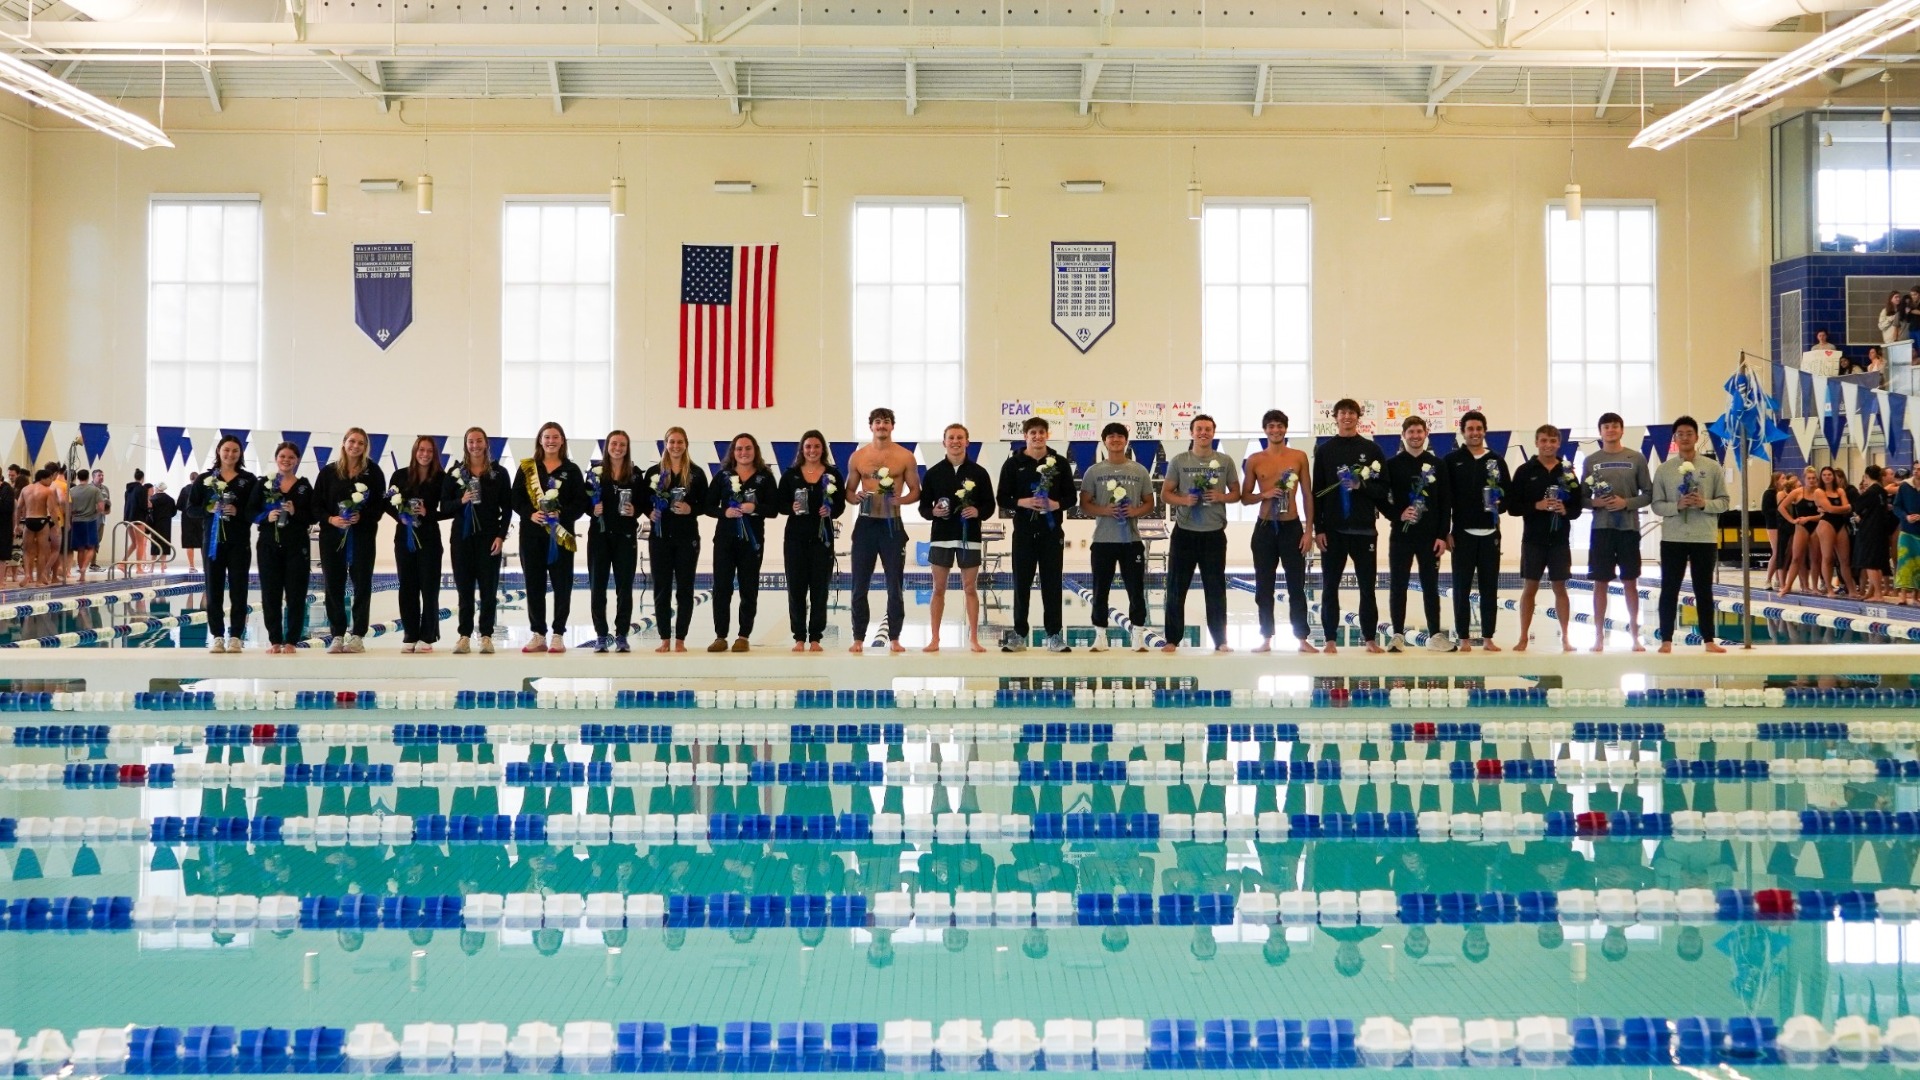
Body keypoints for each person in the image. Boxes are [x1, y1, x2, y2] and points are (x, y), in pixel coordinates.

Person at [1313, 399, 1389, 654]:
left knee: (1368, 588)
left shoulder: (1372, 449)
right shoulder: (1324, 450)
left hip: (1364, 530)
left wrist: (1361, 486)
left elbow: (1383, 489)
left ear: (1359, 417)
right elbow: (1317, 492)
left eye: (1351, 413)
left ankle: (1370, 638)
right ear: (1334, 417)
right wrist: (1318, 529)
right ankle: (1330, 639)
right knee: (1329, 587)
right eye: (1342, 413)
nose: (1347, 417)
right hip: (1333, 531)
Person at [1650, 415, 1729, 654]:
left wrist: (1704, 503)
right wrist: (1677, 506)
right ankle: (1665, 639)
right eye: (1680, 434)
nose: (1684, 438)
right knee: (1669, 588)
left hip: (1703, 538)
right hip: (1673, 537)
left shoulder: (1712, 467)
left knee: (1703, 589)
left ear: (1696, 437)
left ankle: (1708, 639)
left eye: (1689, 433)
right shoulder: (1664, 470)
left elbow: (1724, 502)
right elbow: (1656, 505)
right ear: (1674, 439)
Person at [1161, 414, 1240, 653]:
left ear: (1213, 433)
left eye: (1207, 429)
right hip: (1184, 533)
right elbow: (1165, 494)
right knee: (1176, 587)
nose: (1203, 433)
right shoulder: (1179, 460)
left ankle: (1220, 640)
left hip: (1214, 534)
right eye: (1199, 429)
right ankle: (1172, 639)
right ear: (1192, 432)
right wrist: (1184, 499)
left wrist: (1221, 496)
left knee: (1215, 588)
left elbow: (1236, 493)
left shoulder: (1225, 461)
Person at [996, 416, 1075, 653]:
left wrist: (1054, 504)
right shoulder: (1013, 464)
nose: (1037, 436)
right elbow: (1002, 498)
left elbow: (1071, 497)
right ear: (1025, 436)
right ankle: (1019, 634)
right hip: (1023, 534)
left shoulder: (1059, 463)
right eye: (1033, 433)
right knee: (1021, 585)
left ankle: (1054, 635)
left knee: (1052, 585)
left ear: (1047, 435)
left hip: (1051, 533)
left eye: (1042, 432)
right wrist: (1024, 502)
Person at [846, 407, 921, 653]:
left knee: (894, 585)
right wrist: (855, 498)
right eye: (877, 422)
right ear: (871, 426)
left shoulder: (905, 456)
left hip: (892, 524)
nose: (881, 426)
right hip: (866, 524)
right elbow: (849, 491)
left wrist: (902, 500)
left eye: (886, 422)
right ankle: (858, 637)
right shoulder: (858, 457)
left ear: (892, 426)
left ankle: (895, 637)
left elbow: (915, 490)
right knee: (859, 585)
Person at [511, 421, 589, 653]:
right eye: (547, 437)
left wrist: (561, 514)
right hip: (532, 536)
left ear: (562, 440)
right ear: (540, 440)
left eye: (555, 437)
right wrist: (529, 514)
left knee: (562, 585)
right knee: (534, 585)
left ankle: (558, 633)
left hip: (561, 537)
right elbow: (515, 499)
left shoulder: (572, 470)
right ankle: (538, 633)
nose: (551, 441)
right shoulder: (527, 467)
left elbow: (581, 503)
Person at [1242, 410, 1314, 654]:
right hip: (1264, 528)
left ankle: (1302, 638)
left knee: (1296, 586)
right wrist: (1265, 494)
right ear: (1265, 430)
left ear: (1285, 429)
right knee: (1264, 587)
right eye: (1271, 426)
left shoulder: (1299, 457)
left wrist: (1308, 531)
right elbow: (1245, 497)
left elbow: (1306, 494)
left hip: (1292, 527)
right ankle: (1265, 638)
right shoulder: (1254, 460)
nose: (1275, 430)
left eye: (1280, 426)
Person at [1581, 411, 1654, 652]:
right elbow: (1580, 498)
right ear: (1600, 432)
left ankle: (1635, 635)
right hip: (1601, 528)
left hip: (1628, 528)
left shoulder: (1637, 458)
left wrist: (1627, 503)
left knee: (1630, 582)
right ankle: (1599, 636)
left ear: (1622, 430)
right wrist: (1596, 503)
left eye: (1615, 426)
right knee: (1600, 583)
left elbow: (1649, 494)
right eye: (1606, 427)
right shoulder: (1591, 460)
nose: (1610, 430)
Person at [921, 423, 996, 653]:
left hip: (969, 536)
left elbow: (990, 505)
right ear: (944, 442)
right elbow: (924, 508)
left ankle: (973, 638)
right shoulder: (933, 473)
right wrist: (933, 512)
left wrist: (978, 512)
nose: (955, 441)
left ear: (967, 442)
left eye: (960, 437)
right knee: (938, 588)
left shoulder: (979, 473)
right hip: (942, 536)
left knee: (970, 588)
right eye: (951, 437)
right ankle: (935, 638)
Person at [1507, 425, 1583, 653]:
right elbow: (1512, 507)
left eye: (1552, 440)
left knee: (1561, 588)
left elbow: (1577, 508)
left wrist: (1564, 510)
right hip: (1533, 539)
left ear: (1559, 443)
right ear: (1536, 443)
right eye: (1544, 440)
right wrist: (1536, 506)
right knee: (1530, 587)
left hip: (1559, 539)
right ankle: (1523, 637)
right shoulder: (1524, 470)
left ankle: (1566, 637)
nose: (1548, 445)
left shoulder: (1567, 472)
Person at [1081, 422, 1154, 653]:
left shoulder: (1140, 470)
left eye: (1120, 436)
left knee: (1136, 589)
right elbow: (1084, 504)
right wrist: (1106, 511)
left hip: (1131, 541)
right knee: (1100, 590)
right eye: (1111, 436)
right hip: (1103, 541)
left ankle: (1138, 635)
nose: (1115, 440)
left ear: (1126, 440)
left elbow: (1150, 503)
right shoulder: (1093, 471)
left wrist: (1134, 511)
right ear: (1104, 441)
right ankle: (1100, 636)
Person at [1442, 410, 1511, 652]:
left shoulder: (1496, 460)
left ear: (1484, 431)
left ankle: (1488, 637)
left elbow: (1508, 497)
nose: (1474, 433)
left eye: (1479, 429)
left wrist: (1499, 504)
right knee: (1461, 587)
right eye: (1470, 429)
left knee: (1489, 587)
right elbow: (1443, 500)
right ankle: (1463, 638)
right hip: (1461, 534)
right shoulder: (1451, 461)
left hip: (1490, 533)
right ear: (1463, 432)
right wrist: (1445, 531)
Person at [706, 433, 779, 653]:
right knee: (721, 588)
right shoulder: (723, 476)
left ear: (755, 450)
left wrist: (754, 508)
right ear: (733, 452)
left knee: (749, 588)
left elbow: (774, 510)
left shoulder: (765, 477)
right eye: (739, 449)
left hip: (752, 542)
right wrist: (724, 512)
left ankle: (743, 635)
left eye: (748, 448)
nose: (743, 452)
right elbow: (707, 506)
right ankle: (720, 636)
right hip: (725, 540)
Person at [1384, 414, 1451, 652]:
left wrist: (1442, 535)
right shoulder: (1391, 465)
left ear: (1426, 434)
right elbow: (1383, 500)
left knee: (1430, 585)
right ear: (1403, 435)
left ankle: (1435, 635)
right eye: (1410, 432)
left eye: (1419, 432)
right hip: (1401, 536)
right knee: (1398, 585)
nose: (1415, 436)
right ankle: (1398, 636)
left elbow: (1445, 503)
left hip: (1429, 536)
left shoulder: (1437, 465)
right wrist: (1397, 514)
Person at [184, 436, 258, 653]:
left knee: (239, 590)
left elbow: (254, 512)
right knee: (213, 590)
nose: (230, 454)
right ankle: (217, 635)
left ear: (240, 453)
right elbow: (190, 509)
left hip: (239, 543)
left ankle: (236, 635)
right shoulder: (205, 479)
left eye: (235, 451)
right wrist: (207, 509)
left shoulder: (248, 479)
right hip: (213, 543)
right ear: (218, 451)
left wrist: (239, 512)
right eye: (226, 450)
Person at [315, 429, 384, 654]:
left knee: (362, 586)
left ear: (366, 447)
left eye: (360, 443)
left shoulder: (373, 472)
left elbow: (380, 505)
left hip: (362, 537)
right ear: (344, 443)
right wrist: (331, 519)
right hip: (332, 538)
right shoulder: (328, 473)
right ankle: (337, 634)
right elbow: (316, 505)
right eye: (352, 441)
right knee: (333, 586)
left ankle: (357, 635)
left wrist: (362, 516)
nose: (355, 446)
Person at [777, 430, 846, 651]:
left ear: (822, 449)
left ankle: (815, 637)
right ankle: (799, 637)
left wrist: (831, 510)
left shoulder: (833, 474)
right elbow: (779, 505)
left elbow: (841, 505)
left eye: (816, 446)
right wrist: (791, 508)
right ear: (802, 449)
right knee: (796, 589)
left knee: (819, 589)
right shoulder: (791, 475)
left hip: (822, 539)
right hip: (795, 539)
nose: (812, 450)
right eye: (808, 446)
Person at [448, 428, 513, 654]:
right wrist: (461, 499)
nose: (475, 445)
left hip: (489, 538)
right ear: (466, 445)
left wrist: (500, 536)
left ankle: (486, 635)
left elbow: (508, 509)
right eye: (470, 441)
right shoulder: (455, 472)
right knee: (464, 591)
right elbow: (444, 507)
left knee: (488, 589)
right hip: (462, 539)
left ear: (486, 444)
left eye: (479, 441)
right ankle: (464, 636)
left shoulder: (499, 473)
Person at [644, 426, 708, 653]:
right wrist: (648, 512)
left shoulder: (696, 474)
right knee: (661, 589)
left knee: (685, 589)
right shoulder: (653, 472)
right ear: (665, 443)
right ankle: (664, 638)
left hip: (687, 538)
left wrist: (691, 508)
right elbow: (643, 500)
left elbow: (706, 505)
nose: (676, 446)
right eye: (672, 442)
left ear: (686, 444)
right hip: (660, 538)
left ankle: (680, 638)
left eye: (680, 442)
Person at [247, 441, 314, 653]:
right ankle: (275, 640)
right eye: (282, 456)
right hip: (268, 545)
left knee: (296, 593)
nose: (286, 460)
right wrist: (266, 517)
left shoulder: (304, 486)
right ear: (276, 458)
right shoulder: (264, 483)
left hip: (297, 546)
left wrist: (295, 512)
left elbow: (313, 516)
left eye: (291, 457)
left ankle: (292, 640)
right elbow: (249, 512)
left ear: (297, 460)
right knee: (270, 593)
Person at [587, 430, 647, 654]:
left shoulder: (635, 474)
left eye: (622, 444)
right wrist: (591, 509)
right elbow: (583, 500)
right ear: (607, 446)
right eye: (614, 443)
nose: (618, 448)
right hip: (599, 537)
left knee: (624, 587)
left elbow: (643, 503)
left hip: (625, 537)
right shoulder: (595, 472)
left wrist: (636, 510)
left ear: (627, 447)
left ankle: (621, 634)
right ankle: (601, 635)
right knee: (598, 587)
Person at [389, 435, 451, 652]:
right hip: (404, 537)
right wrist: (401, 515)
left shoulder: (442, 478)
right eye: (421, 450)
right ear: (415, 452)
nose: (425, 454)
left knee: (429, 587)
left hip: (429, 539)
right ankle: (410, 633)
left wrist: (428, 513)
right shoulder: (400, 475)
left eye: (429, 451)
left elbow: (450, 509)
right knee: (407, 587)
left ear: (435, 454)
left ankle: (428, 635)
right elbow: (387, 502)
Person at [1811, 465, 1857, 598]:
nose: (1827, 477)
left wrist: (1839, 508)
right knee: (1827, 558)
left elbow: (1848, 508)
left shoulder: (1840, 490)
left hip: (1840, 524)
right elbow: (1831, 509)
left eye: (1829, 475)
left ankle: (1852, 589)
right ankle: (1829, 589)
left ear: (1834, 477)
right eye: (1824, 475)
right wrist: (1842, 508)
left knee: (1845, 560)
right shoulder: (1819, 491)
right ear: (1821, 477)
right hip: (1826, 523)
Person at [1853, 464, 1893, 603]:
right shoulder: (1882, 490)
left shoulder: (1870, 491)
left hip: (1870, 530)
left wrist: (1860, 516)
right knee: (1877, 562)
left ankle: (1878, 594)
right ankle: (1874, 592)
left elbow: (1857, 507)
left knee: (1870, 563)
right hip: (1881, 530)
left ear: (1867, 476)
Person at [1780, 474, 1821, 597]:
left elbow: (1824, 514)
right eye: (1809, 478)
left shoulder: (1820, 493)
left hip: (1816, 527)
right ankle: (1787, 586)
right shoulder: (1798, 492)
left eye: (1814, 478)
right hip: (1801, 527)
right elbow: (1781, 507)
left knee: (1815, 559)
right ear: (1804, 479)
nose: (1811, 480)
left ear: (1816, 480)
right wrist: (1792, 520)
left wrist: (1809, 518)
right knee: (1796, 558)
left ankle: (1814, 587)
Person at [16, 469, 54, 586]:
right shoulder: (47, 490)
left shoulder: (25, 489)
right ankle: (38, 580)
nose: (51, 481)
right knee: (42, 552)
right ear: (43, 478)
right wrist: (57, 526)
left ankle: (27, 575)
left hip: (29, 520)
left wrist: (17, 525)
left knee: (27, 551)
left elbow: (18, 508)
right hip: (42, 520)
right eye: (50, 479)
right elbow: (52, 510)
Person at [66, 470, 105, 581]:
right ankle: (84, 568)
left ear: (78, 478)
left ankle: (82, 574)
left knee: (80, 548)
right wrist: (95, 512)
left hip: (76, 521)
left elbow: (68, 508)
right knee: (92, 547)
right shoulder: (95, 490)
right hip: (91, 520)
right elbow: (101, 507)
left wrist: (69, 521)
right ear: (88, 477)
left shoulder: (71, 490)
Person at [1894, 468, 1920, 604]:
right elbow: (1896, 507)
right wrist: (1906, 517)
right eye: (1915, 469)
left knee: (1919, 564)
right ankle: (1903, 595)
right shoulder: (1905, 486)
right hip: (1906, 530)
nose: (1916, 471)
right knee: (1904, 563)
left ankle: (1916, 596)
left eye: (1919, 469)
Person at [1762, 472, 1791, 593]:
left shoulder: (1785, 493)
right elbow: (1766, 510)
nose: (1785, 480)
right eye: (1783, 478)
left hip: (1783, 525)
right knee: (1776, 552)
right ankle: (1768, 579)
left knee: (1782, 553)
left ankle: (1778, 578)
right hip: (1773, 525)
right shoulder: (1769, 493)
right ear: (1776, 481)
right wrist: (1781, 511)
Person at [122, 468, 150, 566]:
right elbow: (143, 505)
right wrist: (149, 506)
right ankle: (139, 568)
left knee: (134, 544)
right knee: (140, 543)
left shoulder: (128, 490)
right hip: (138, 518)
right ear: (142, 478)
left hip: (128, 518)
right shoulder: (142, 489)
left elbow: (126, 505)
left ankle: (122, 563)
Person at [148, 482, 177, 565]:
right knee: (165, 544)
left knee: (154, 544)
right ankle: (163, 566)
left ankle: (151, 567)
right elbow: (173, 513)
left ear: (157, 488)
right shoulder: (170, 499)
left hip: (155, 524)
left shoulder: (152, 499)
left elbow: (149, 511)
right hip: (166, 524)